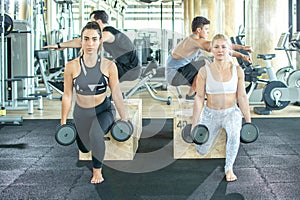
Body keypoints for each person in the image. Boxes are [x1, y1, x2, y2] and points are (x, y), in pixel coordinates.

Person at [61, 21, 127, 184]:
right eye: (86, 39)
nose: (90, 43)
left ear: (100, 41)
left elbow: (117, 95)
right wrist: (63, 122)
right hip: (81, 113)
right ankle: (79, 130)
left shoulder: (109, 66)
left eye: (94, 39)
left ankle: (97, 172)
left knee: (96, 134)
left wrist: (124, 119)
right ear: (81, 41)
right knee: (85, 148)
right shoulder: (71, 66)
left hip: (103, 110)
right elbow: (67, 95)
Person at [191, 34, 251, 182]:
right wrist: (194, 123)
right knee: (201, 150)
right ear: (211, 49)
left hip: (231, 112)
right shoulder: (204, 71)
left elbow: (242, 97)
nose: (220, 50)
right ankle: (213, 136)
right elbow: (199, 98)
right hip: (210, 113)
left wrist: (248, 122)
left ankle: (229, 167)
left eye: (224, 47)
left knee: (234, 134)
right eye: (216, 47)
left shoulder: (237, 70)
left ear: (229, 49)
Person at [166, 16, 253, 99]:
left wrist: (242, 55)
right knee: (205, 63)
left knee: (210, 62)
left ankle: (206, 92)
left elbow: (221, 49)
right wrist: (242, 48)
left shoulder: (193, 40)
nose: (208, 32)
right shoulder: (193, 41)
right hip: (175, 75)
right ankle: (191, 94)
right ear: (199, 30)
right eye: (206, 29)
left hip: (177, 73)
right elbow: (220, 46)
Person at [44, 10, 139, 81]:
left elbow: (84, 41)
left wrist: (60, 45)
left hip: (129, 70)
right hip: (126, 68)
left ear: (98, 22)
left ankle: (67, 85)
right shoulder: (108, 32)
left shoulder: (109, 32)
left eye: (92, 22)